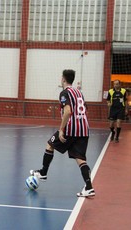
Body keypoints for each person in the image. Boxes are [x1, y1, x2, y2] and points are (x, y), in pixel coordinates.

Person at [30, 69, 95, 197]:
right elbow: (84, 109)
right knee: (80, 159)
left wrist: (61, 129)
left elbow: (68, 111)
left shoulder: (64, 93)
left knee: (50, 144)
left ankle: (43, 172)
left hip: (70, 129)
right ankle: (89, 187)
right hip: (84, 129)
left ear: (63, 79)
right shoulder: (79, 92)